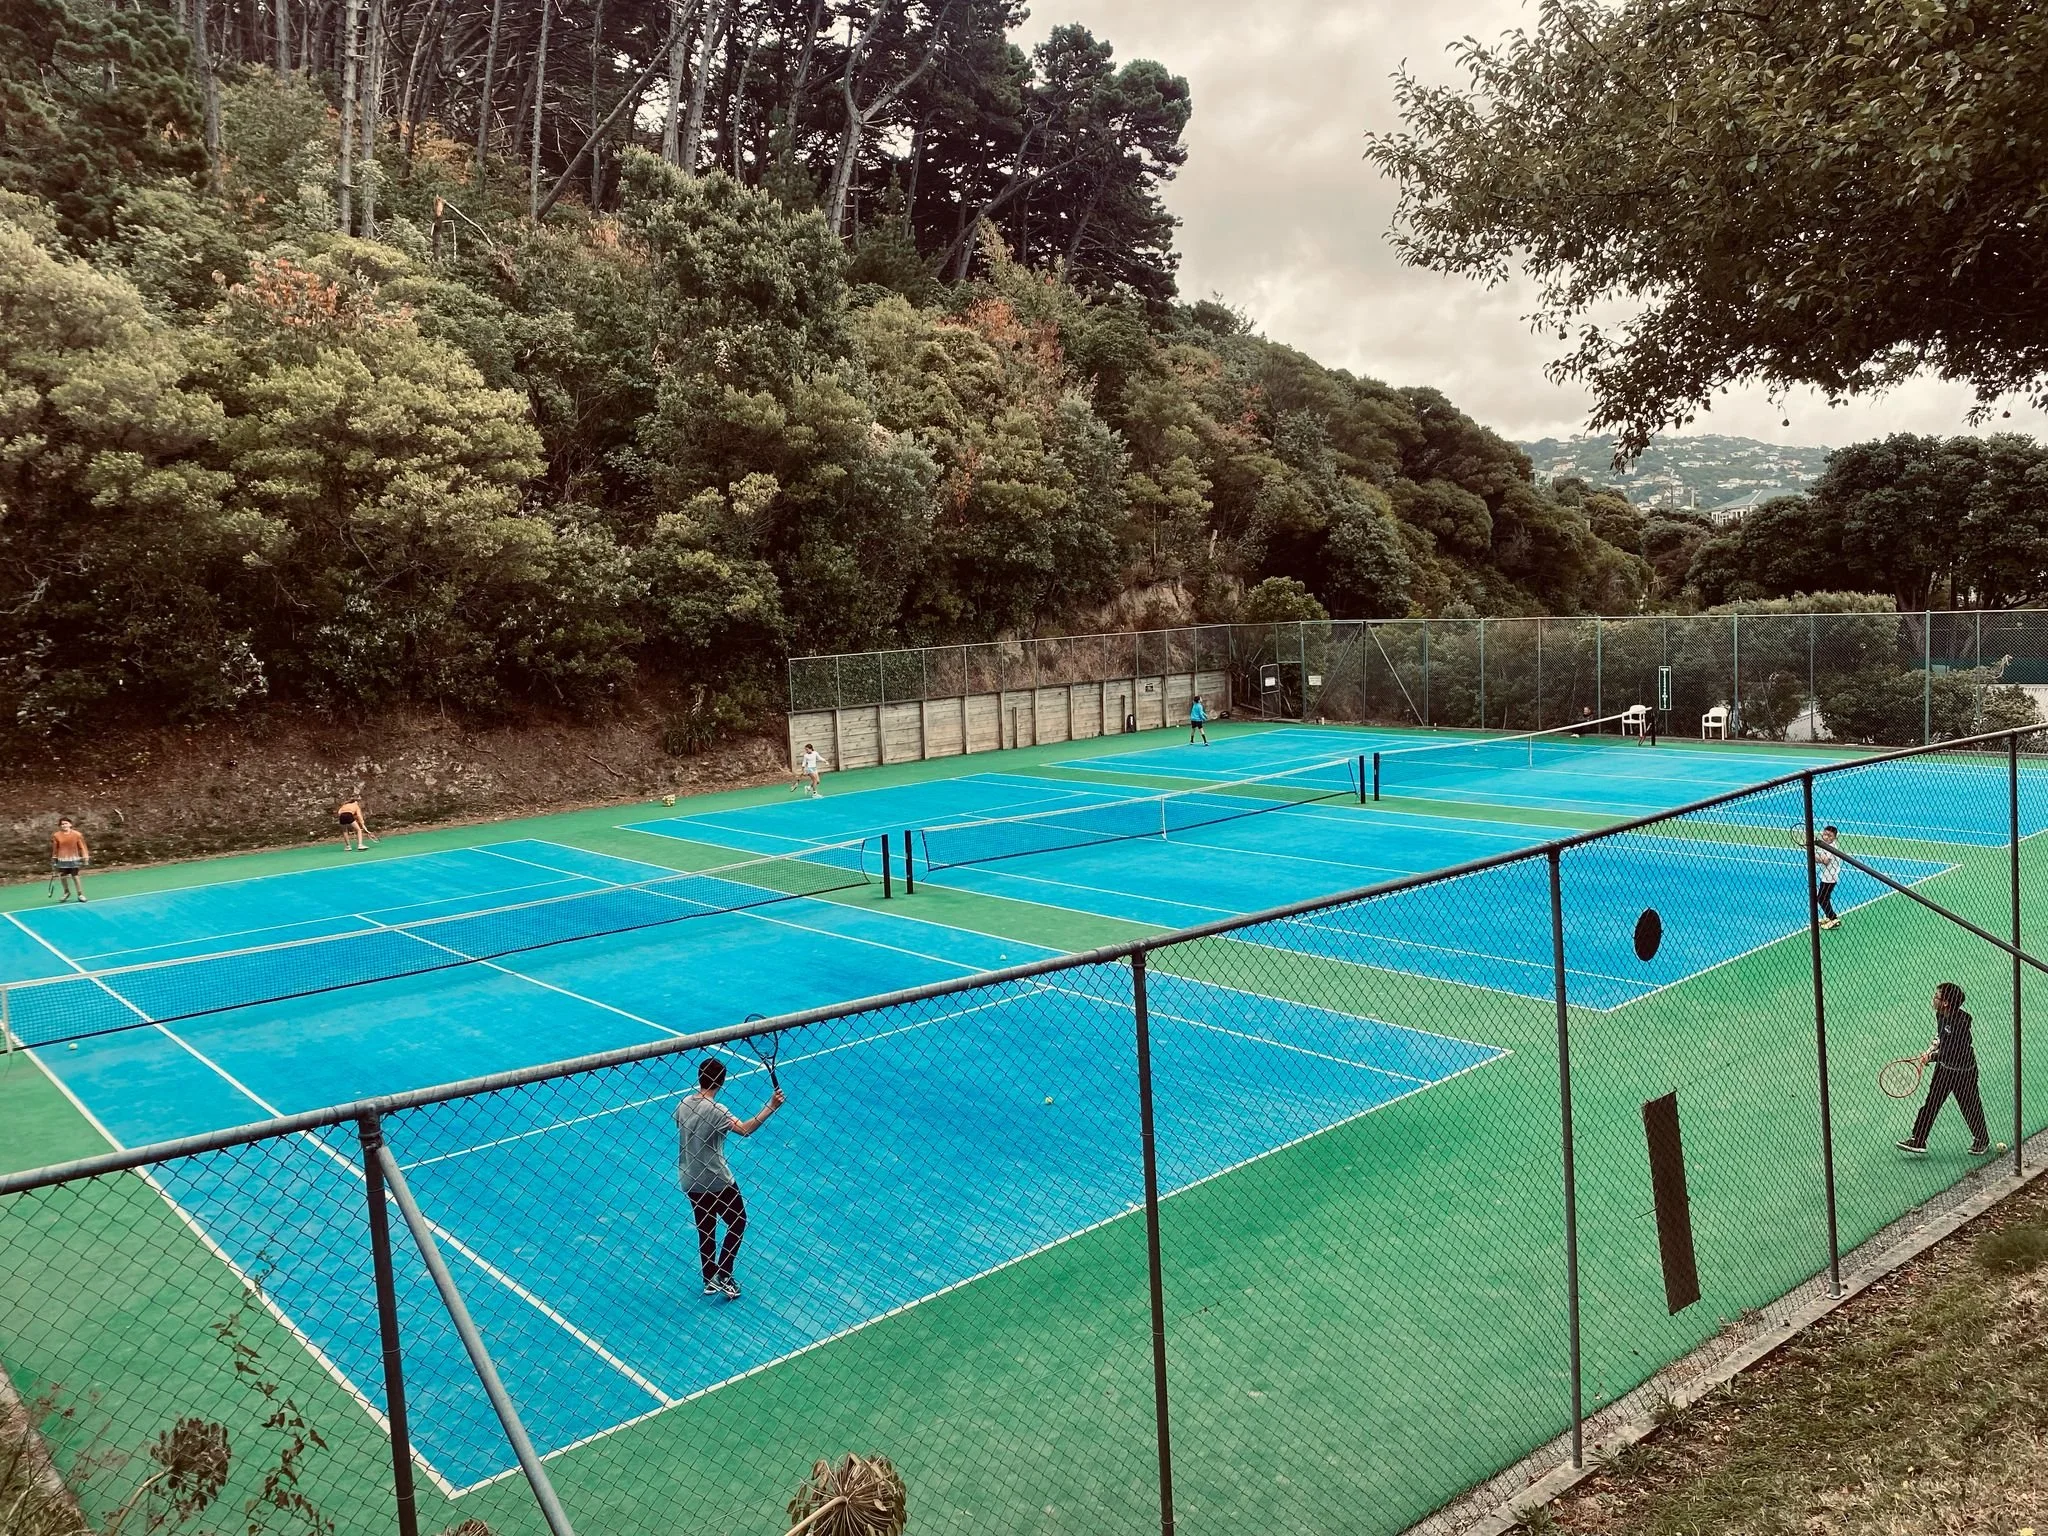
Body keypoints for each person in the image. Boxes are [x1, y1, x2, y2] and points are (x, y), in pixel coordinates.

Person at [675, 1057, 785, 1299]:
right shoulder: (718, 1111)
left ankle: (709, 1280)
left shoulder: (683, 1104)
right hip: (717, 1179)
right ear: (722, 1082)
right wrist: (771, 1107)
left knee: (706, 1228)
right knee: (738, 1221)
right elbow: (746, 1129)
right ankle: (725, 1274)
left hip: (689, 1178)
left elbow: (680, 1124)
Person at [1898, 981, 1991, 1157]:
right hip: (1944, 1070)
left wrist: (1932, 1057)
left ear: (1946, 1002)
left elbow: (1953, 1050)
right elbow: (1941, 1037)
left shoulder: (1961, 1023)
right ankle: (1918, 1140)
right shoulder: (1941, 1015)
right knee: (1931, 1104)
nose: (1934, 999)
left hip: (1963, 1072)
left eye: (1937, 996)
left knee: (1970, 1106)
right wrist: (1931, 1049)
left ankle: (1982, 1140)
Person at [49, 817, 89, 902]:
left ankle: (80, 894)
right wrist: (54, 859)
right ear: (60, 826)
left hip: (73, 858)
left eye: (66, 823)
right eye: (62, 824)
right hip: (62, 859)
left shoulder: (77, 834)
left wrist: (85, 857)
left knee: (75, 876)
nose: (64, 825)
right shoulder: (56, 835)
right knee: (63, 876)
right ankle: (66, 892)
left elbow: (82, 847)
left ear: (70, 824)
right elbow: (55, 849)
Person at [1813, 825, 1842, 930]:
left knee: (1821, 898)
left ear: (1835, 837)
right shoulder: (1825, 845)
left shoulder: (1831, 847)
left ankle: (1833, 918)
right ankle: (1829, 917)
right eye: (1825, 834)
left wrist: (1811, 855)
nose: (1826, 837)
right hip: (1826, 876)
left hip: (1830, 878)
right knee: (1823, 898)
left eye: (1830, 836)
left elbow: (1825, 860)